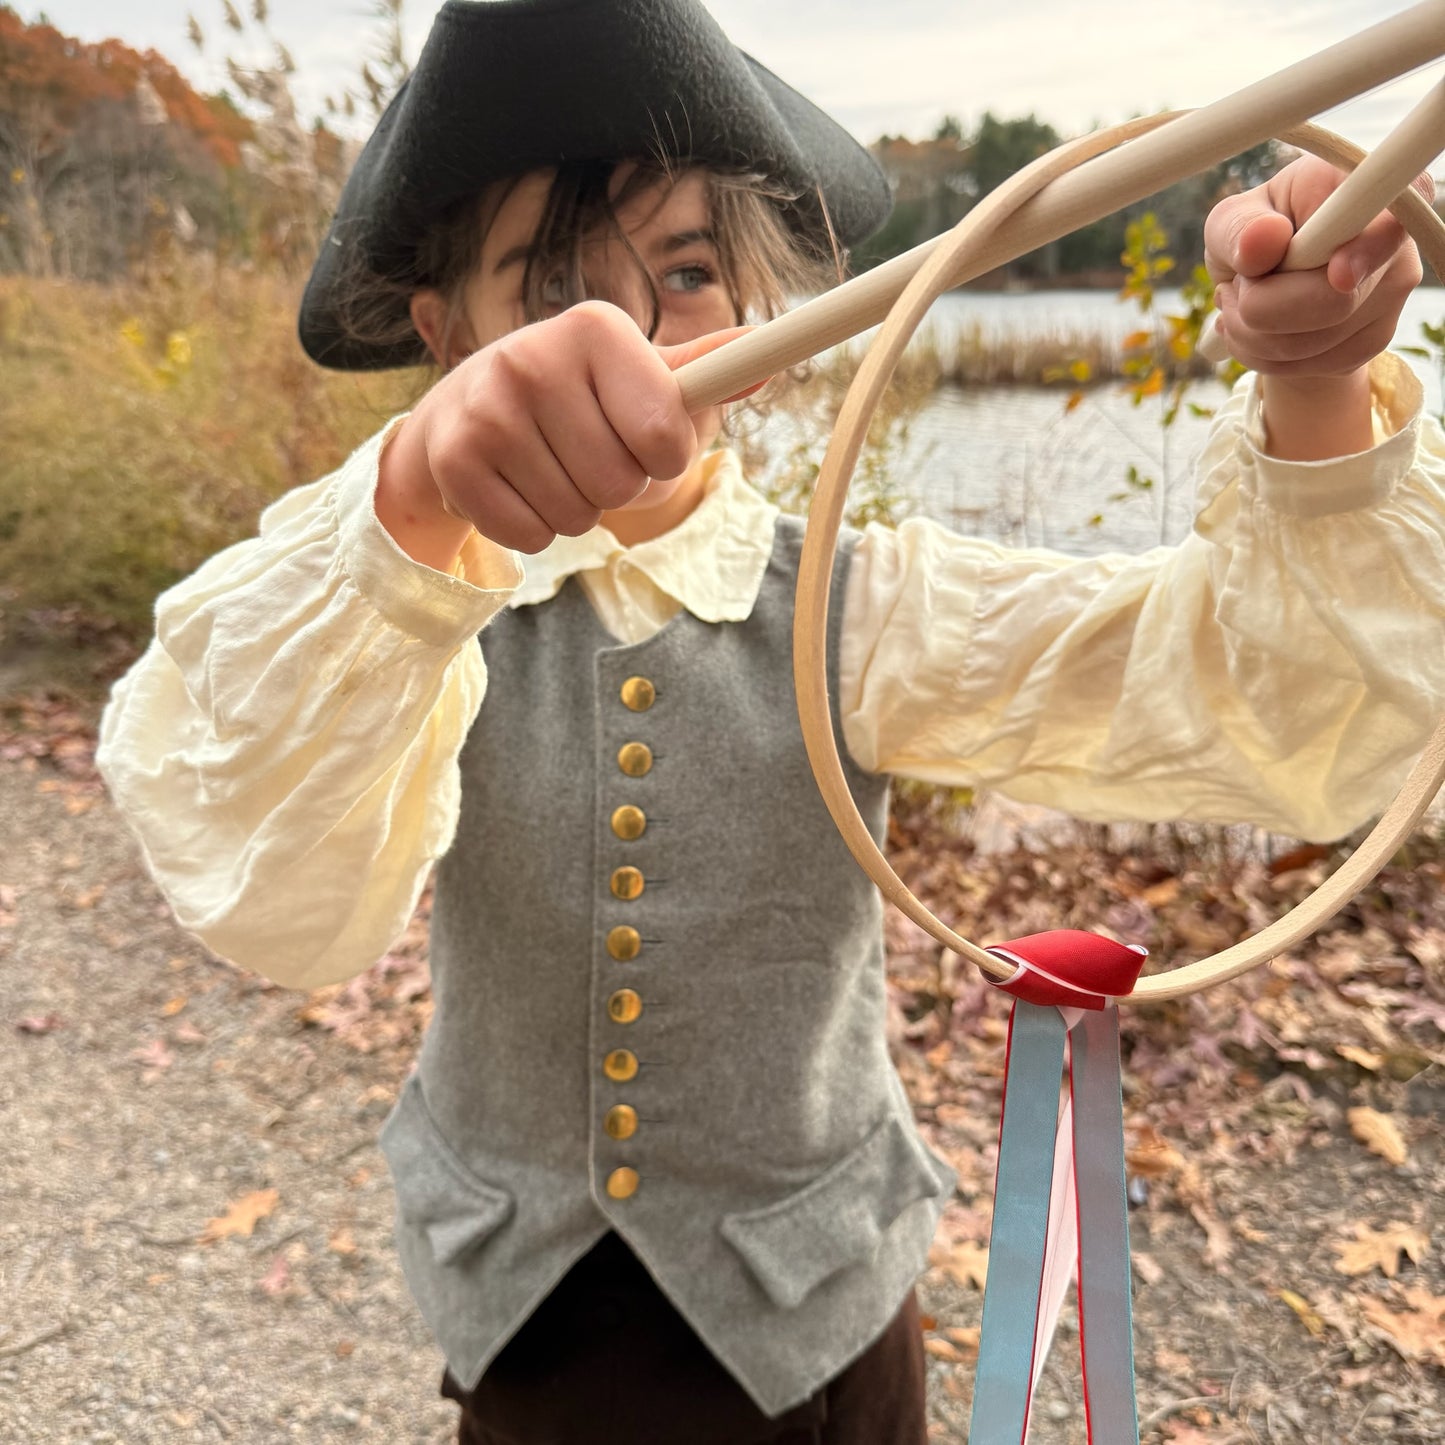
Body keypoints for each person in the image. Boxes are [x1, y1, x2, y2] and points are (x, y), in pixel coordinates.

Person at [96, 1, 1445, 1441]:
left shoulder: (862, 607)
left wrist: (1311, 387)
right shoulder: (395, 614)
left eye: (682, 272)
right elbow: (264, 876)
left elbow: (1281, 697)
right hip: (533, 1348)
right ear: (445, 335)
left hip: (821, 1338)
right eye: (544, 291)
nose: (620, 339)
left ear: (758, 310)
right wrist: (416, 494)